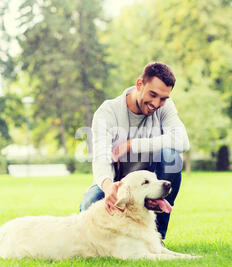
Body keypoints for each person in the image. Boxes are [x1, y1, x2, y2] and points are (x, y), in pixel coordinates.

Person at [79, 62, 190, 240]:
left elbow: (182, 141)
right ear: (140, 84)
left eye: (163, 98)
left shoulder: (165, 107)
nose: (156, 103)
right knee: (88, 205)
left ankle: (156, 239)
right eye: (152, 94)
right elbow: (101, 158)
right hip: (115, 182)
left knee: (171, 156)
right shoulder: (108, 112)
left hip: (147, 185)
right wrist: (108, 187)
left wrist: (133, 144)